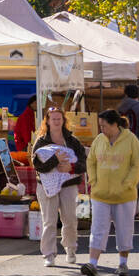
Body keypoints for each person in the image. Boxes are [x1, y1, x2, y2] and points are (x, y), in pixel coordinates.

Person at [82, 109, 139, 276]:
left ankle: (123, 264)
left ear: (115, 124)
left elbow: (137, 164)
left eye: (104, 125)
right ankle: (92, 263)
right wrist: (93, 180)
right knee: (98, 229)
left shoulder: (131, 140)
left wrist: (128, 183)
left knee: (124, 229)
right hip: (100, 194)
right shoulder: (99, 140)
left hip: (124, 195)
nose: (102, 129)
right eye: (100, 125)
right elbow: (91, 161)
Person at [31, 106, 85, 267]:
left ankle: (70, 248)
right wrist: (55, 160)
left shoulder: (73, 141)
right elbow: (37, 166)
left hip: (69, 185)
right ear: (47, 121)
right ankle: (48, 254)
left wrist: (71, 168)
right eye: (53, 118)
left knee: (70, 219)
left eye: (58, 118)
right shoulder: (41, 141)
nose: (56, 121)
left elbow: (84, 163)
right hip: (46, 186)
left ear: (63, 120)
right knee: (49, 220)